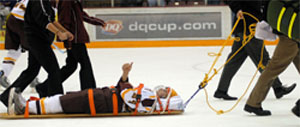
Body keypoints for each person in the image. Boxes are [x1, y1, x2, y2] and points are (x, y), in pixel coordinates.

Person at [9, 63, 184, 115]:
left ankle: (25, 108)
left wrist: (125, 83)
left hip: (101, 101)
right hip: (100, 96)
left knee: (64, 102)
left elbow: (127, 95)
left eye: (165, 90)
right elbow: (123, 89)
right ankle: (29, 105)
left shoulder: (150, 102)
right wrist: (124, 74)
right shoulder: (149, 96)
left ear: (165, 97)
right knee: (65, 98)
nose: (162, 89)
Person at [213, 0, 296, 101]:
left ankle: (221, 90)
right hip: (249, 28)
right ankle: (278, 88)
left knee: (234, 61)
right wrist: (237, 9)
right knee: (262, 59)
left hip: (247, 27)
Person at [0, 0, 74, 107]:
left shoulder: (46, 3)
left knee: (32, 70)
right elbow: (45, 21)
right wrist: (58, 33)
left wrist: (64, 31)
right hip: (37, 41)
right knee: (54, 70)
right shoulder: (39, 1)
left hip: (36, 40)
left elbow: (51, 19)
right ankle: (55, 101)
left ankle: (6, 97)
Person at [35, 0, 106, 98]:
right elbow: (64, 21)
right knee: (85, 64)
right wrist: (68, 41)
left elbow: (82, 15)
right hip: (74, 39)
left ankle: (45, 87)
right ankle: (89, 92)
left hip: (76, 37)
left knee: (71, 66)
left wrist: (99, 22)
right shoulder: (67, 1)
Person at [244, 0, 299, 116]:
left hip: (291, 32)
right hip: (292, 36)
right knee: (273, 68)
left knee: (273, 68)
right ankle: (253, 103)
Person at [0, 0, 40, 89]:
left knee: (14, 51)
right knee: (35, 50)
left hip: (12, 18)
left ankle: (3, 73)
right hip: (22, 21)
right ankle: (32, 77)